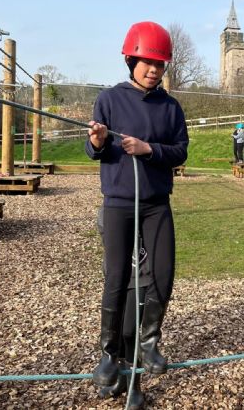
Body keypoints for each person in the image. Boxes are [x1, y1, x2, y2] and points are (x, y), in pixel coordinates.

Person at [86, 21, 189, 389]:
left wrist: (149, 149)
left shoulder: (171, 107)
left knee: (163, 273)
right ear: (131, 61)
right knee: (116, 276)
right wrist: (98, 141)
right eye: (147, 62)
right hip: (118, 202)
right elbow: (94, 151)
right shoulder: (109, 99)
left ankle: (149, 344)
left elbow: (180, 151)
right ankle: (108, 354)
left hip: (156, 203)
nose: (154, 70)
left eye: (160, 64)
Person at [97, 207, 148, 409]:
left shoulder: (147, 205)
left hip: (140, 277)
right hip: (116, 278)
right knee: (114, 331)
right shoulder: (108, 207)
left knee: (129, 332)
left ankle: (135, 387)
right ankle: (121, 381)